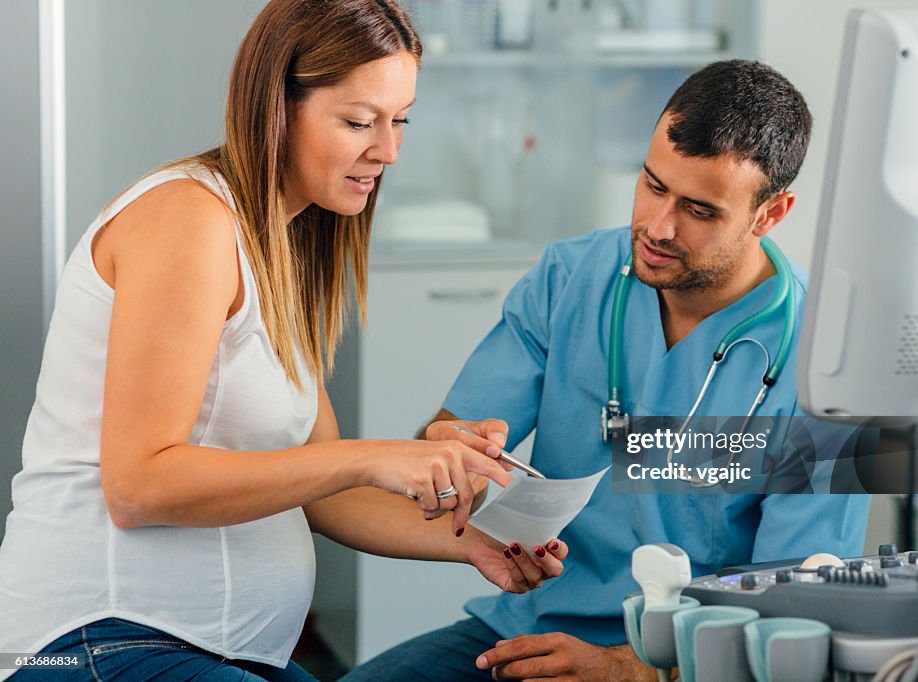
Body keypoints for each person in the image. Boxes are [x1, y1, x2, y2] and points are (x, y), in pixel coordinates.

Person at [0, 2, 566, 680]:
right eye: (360, 121)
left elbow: (321, 489)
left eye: (399, 120)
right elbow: (139, 483)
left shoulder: (279, 250)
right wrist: (369, 457)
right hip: (97, 639)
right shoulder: (189, 219)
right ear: (278, 105)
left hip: (214, 649)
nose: (388, 150)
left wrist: (475, 543)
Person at [342, 60, 872, 681]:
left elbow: (792, 614)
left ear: (770, 214)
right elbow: (454, 438)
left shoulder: (822, 365)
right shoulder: (573, 278)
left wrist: (633, 670)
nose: (658, 226)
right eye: (652, 185)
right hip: (533, 630)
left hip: (695, 666)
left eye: (700, 211)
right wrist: (453, 463)